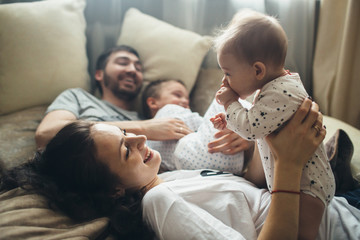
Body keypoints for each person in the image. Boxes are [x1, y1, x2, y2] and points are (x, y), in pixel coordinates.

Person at [1, 99, 359, 240]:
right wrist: (291, 163)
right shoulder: (162, 201)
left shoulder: (168, 178)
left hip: (337, 208)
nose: (142, 137)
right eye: (128, 150)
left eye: (126, 133)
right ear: (113, 190)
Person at [210, 9, 335, 239]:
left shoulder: (280, 93)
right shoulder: (276, 87)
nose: (224, 81)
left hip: (307, 188)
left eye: (228, 73)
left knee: (303, 235)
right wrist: (230, 120)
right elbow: (260, 119)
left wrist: (229, 104)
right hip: (298, 182)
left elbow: (251, 128)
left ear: (258, 70)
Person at [142, 79, 252, 173]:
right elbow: (200, 123)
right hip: (202, 154)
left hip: (191, 167)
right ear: (152, 102)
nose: (185, 101)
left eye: (187, 99)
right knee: (224, 97)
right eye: (177, 95)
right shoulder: (167, 110)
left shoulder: (145, 141)